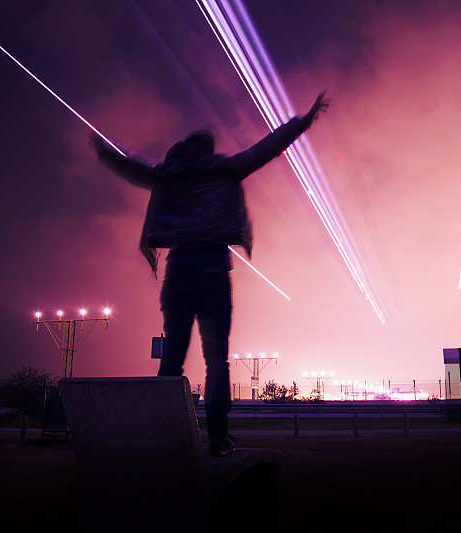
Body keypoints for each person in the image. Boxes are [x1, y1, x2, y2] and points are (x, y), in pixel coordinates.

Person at [90, 92, 330, 456]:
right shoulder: (225, 169)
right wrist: (305, 120)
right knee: (217, 360)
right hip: (214, 272)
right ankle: (218, 437)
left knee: (172, 359)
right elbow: (268, 147)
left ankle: (164, 437)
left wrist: (105, 152)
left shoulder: (167, 174)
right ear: (208, 149)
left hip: (179, 272)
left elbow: (134, 167)